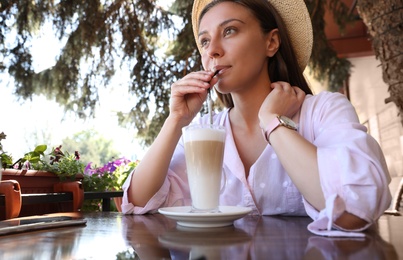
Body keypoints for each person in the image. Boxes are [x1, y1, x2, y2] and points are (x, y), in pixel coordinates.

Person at [121, 0, 392, 234]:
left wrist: (272, 121)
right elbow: (136, 203)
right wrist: (175, 121)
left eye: (229, 31)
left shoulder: (324, 111)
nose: (212, 50)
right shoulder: (203, 130)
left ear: (271, 42)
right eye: (204, 41)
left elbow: (355, 210)